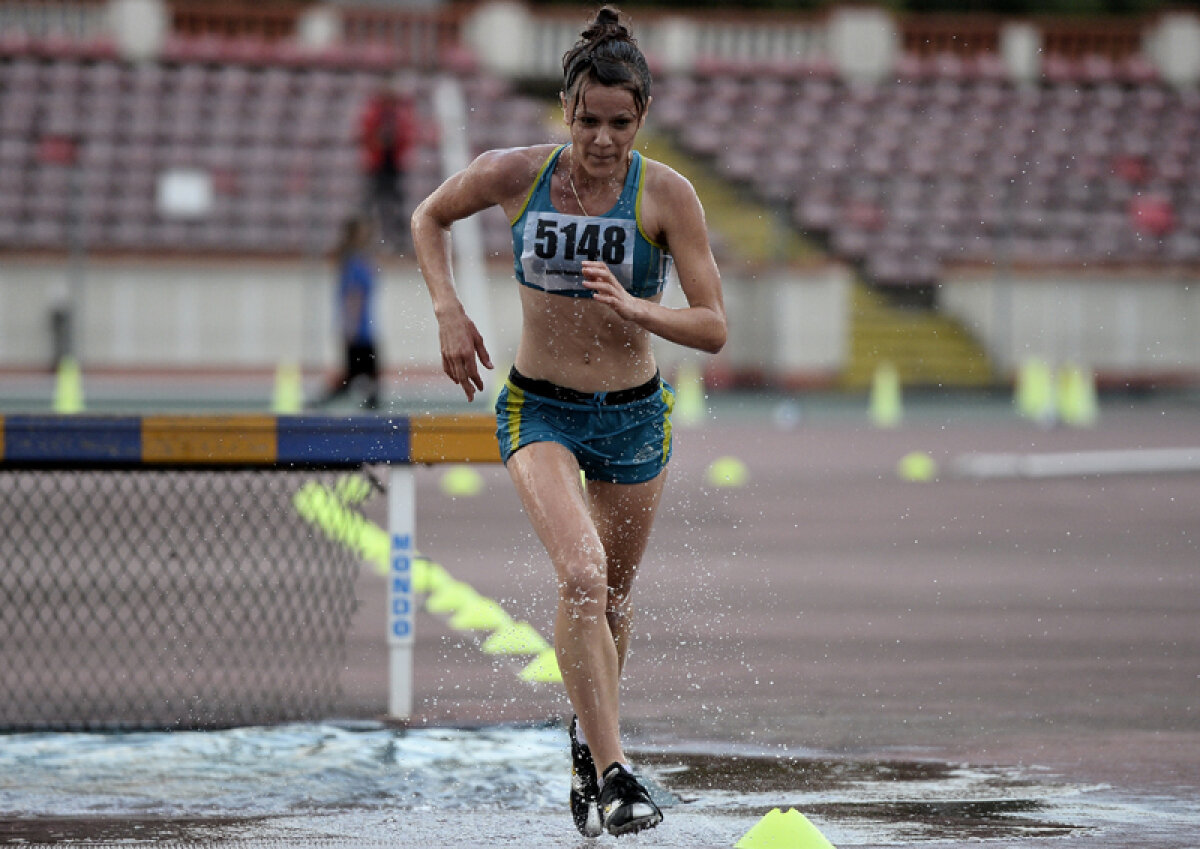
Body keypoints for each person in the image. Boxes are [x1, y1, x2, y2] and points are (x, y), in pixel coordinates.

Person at [410, 5, 726, 837]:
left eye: (621, 124)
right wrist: (447, 307)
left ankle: (589, 743)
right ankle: (620, 772)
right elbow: (429, 217)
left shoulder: (666, 195)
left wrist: (637, 308)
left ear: (642, 118)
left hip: (633, 417)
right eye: (589, 121)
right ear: (566, 112)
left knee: (613, 600)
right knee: (581, 575)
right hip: (538, 405)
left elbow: (714, 324)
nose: (603, 140)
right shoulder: (515, 174)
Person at [315, 216, 381, 410]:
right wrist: (350, 326)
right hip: (359, 330)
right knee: (364, 377)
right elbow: (353, 296)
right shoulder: (355, 262)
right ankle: (325, 403)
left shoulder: (355, 261)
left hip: (361, 327)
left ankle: (327, 401)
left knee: (359, 376)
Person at [358, 81, 417, 251]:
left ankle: (397, 240)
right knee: (373, 203)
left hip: (392, 166)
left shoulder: (397, 114)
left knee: (394, 204)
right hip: (378, 166)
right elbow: (366, 136)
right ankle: (369, 239)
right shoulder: (376, 113)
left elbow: (406, 137)